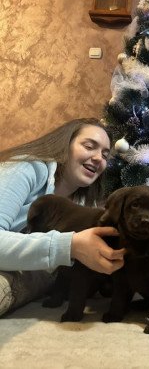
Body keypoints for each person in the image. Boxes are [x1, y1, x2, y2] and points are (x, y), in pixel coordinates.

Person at [0, 117, 126, 317]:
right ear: (64, 144)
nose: (98, 158)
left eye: (105, 154)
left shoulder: (85, 205)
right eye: (89, 146)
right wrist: (70, 246)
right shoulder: (26, 169)